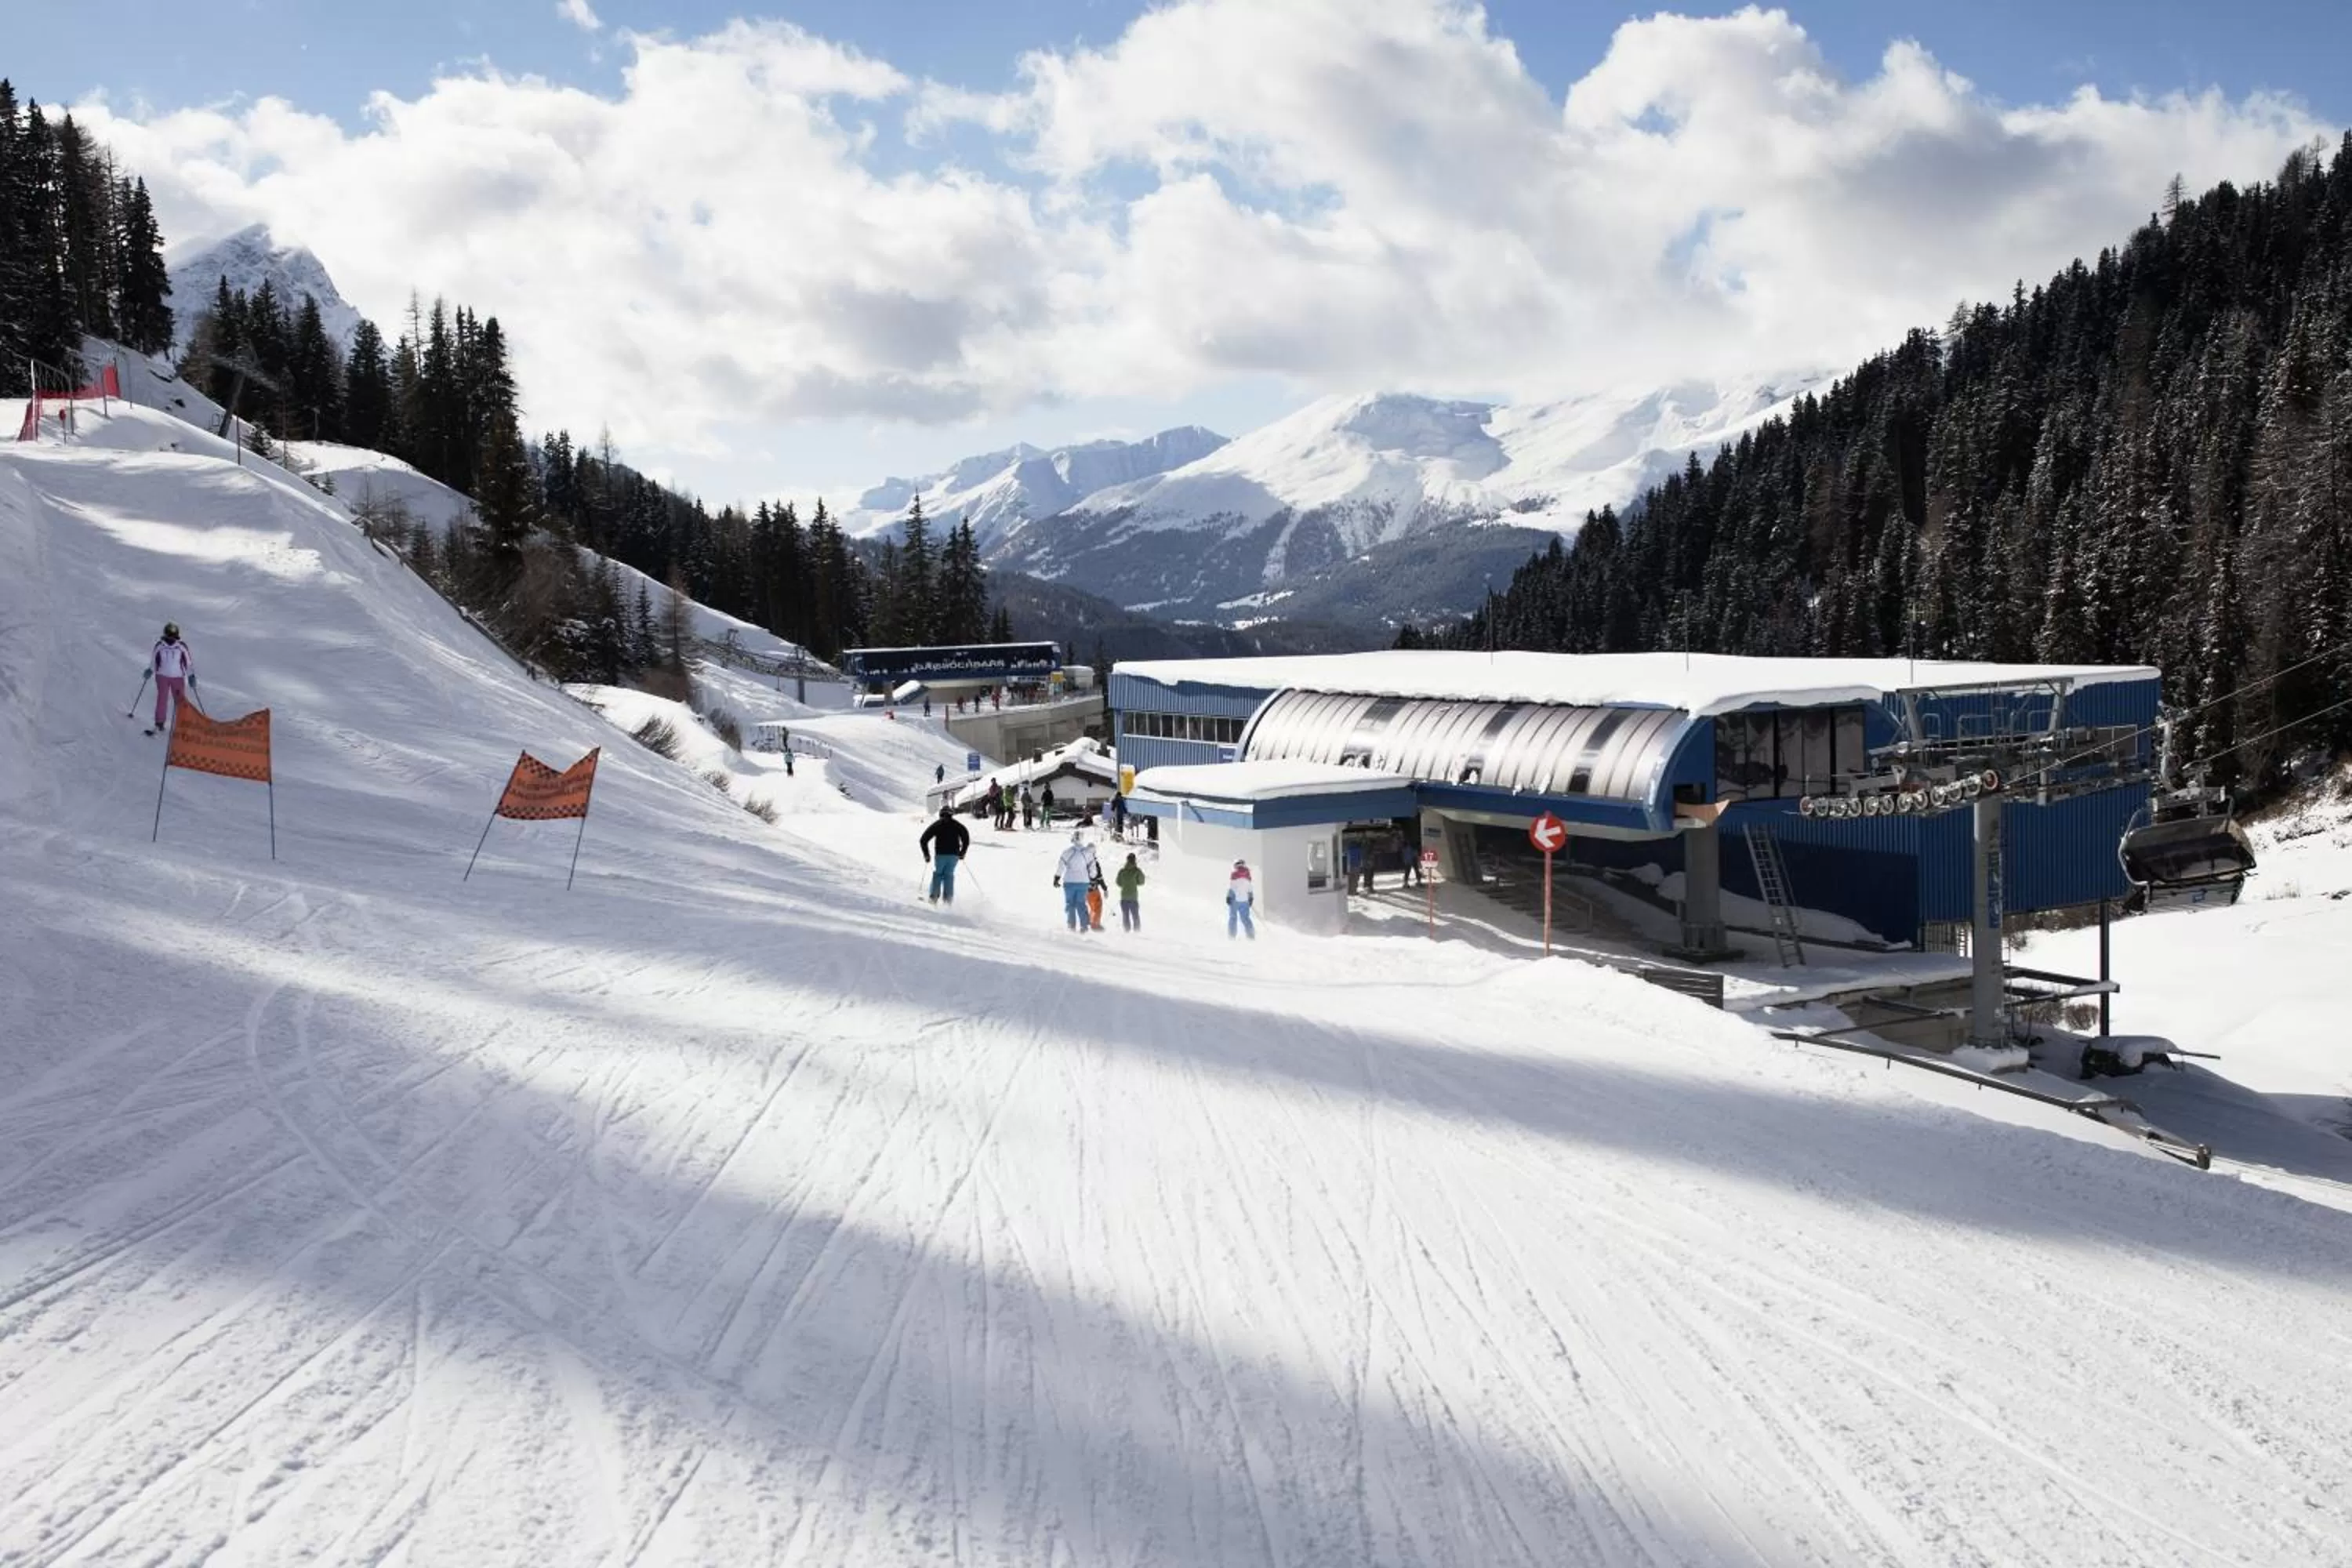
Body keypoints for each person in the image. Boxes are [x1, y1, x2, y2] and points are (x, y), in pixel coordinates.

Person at [148, 622, 195, 735]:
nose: (171, 638)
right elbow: (154, 661)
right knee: (162, 699)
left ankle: (182, 723)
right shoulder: (159, 645)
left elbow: (188, 663)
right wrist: (150, 670)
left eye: (173, 636)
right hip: (162, 676)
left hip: (177, 677)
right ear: (165, 634)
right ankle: (159, 723)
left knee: (180, 700)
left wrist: (191, 676)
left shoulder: (181, 647)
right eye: (169, 635)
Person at [919, 804, 971, 904]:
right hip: (954, 856)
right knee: (949, 876)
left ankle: (933, 897)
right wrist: (962, 852)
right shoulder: (957, 825)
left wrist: (926, 855)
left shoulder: (938, 824)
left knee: (938, 874)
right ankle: (948, 900)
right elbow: (966, 838)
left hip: (941, 855)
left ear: (941, 814)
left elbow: (923, 840)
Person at [1054, 829, 1101, 934]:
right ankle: (1084, 925)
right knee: (1081, 903)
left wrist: (1057, 877)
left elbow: (1061, 865)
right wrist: (1093, 877)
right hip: (1083, 882)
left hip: (1069, 882)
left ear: (1073, 839)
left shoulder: (1067, 852)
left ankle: (1071, 925)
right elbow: (1093, 870)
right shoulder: (1087, 853)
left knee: (1070, 903)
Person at [1227, 858, 1256, 939]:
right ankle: (1251, 936)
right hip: (1245, 900)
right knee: (1246, 918)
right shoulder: (1248, 874)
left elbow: (1232, 887)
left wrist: (1229, 897)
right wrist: (1251, 898)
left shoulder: (1234, 874)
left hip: (1235, 900)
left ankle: (1231, 936)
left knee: (1233, 917)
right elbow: (1250, 888)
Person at [1115, 852, 1145, 931]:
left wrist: (1125, 884)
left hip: (1124, 897)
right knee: (1135, 915)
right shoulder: (1137, 871)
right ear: (1135, 860)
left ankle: (1127, 932)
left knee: (1125, 915)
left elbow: (1118, 883)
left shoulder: (1122, 871)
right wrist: (1135, 883)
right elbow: (1142, 882)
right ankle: (1137, 932)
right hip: (1133, 897)